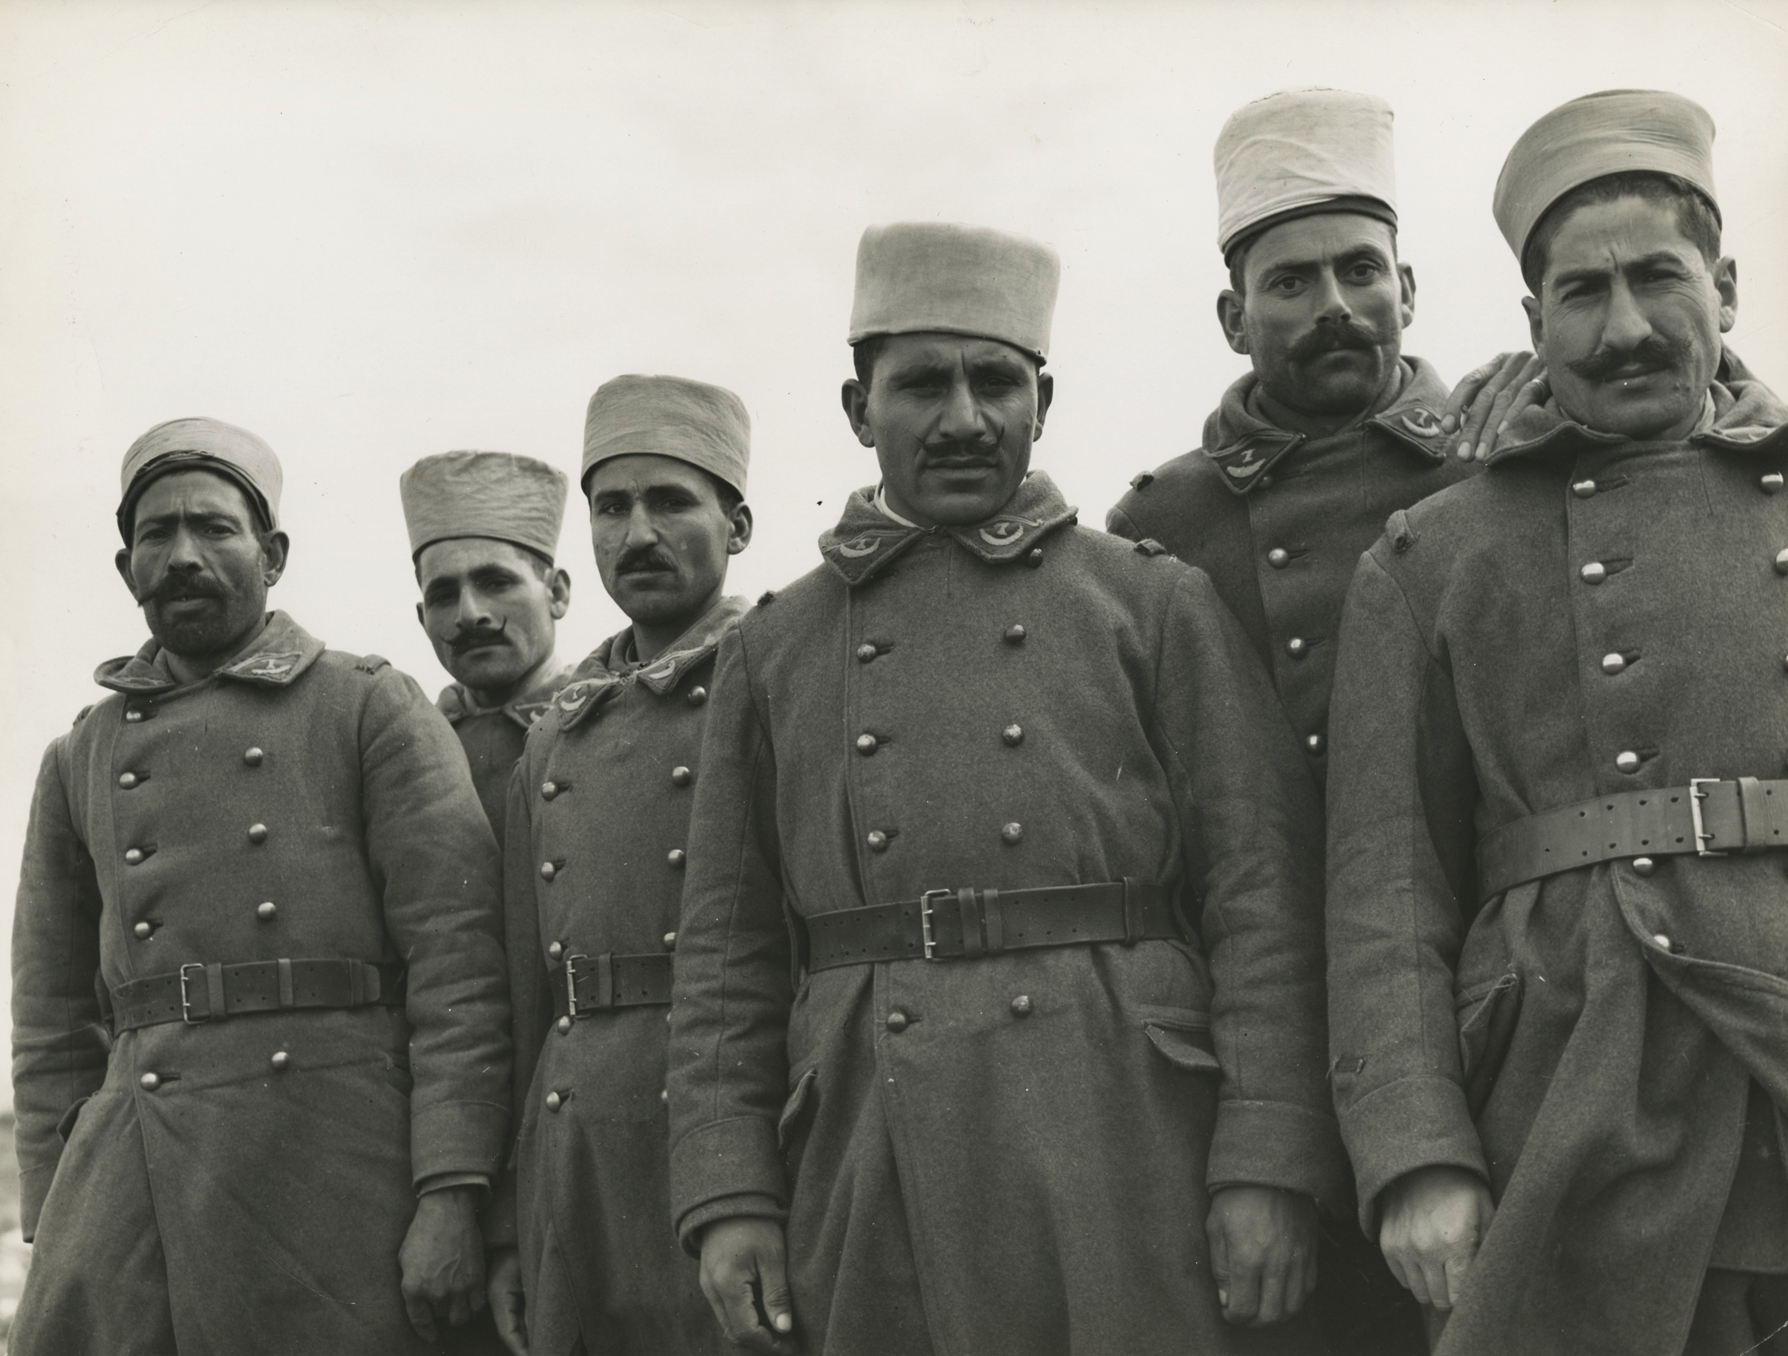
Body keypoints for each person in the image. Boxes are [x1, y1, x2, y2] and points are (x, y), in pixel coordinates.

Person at [667, 221, 1343, 1356]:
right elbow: (727, 953)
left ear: (1044, 399)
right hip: (869, 1132)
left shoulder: (1149, 603)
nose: (965, 419)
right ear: (856, 409)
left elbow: (1260, 899)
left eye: (998, 382)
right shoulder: (774, 645)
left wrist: (1269, 1159)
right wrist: (731, 1193)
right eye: (923, 384)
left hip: (1122, 1123)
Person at [1324, 90, 1788, 1356]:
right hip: (1564, 1085)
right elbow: (1384, 893)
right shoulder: (1431, 556)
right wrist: (1418, 1155)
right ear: (1533, 323)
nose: (1625, 327)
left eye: (1658, 278)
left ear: (1728, 287)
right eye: (1582, 294)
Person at [10, 418, 512, 1354]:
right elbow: (50, 1018)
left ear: (272, 554)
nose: (183, 556)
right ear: (126, 567)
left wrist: (451, 1190)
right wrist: (55, 1209)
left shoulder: (366, 704)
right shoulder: (81, 752)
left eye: (214, 528)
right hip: (138, 1173)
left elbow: (460, 967)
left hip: (332, 1166)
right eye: (156, 535)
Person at [1106, 86, 1467, 1356]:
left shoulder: (1493, 474)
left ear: (1409, 292)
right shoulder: (1160, 532)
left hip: (1473, 1017)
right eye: (1291, 281)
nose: (1334, 309)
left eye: (1362, 272)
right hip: (1265, 1057)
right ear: (1232, 315)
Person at [488, 375, 753, 1355]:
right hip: (580, 1141)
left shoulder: (780, 670)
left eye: (671, 501)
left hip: (728, 1124)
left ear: (739, 523)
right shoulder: (557, 734)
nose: (638, 533)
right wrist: (513, 1224)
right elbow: (527, 996)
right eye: (611, 508)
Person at [400, 450, 575, 847]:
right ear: (421, 617)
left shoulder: (607, 727)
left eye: (496, 583)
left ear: (557, 593)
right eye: (442, 595)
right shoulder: (405, 747)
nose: (468, 614)